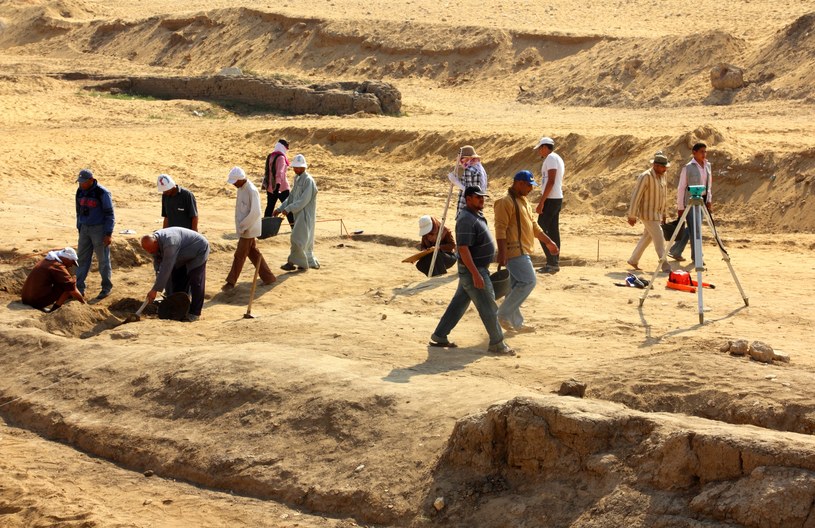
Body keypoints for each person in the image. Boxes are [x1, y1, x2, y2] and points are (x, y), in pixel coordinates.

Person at [429, 186, 514, 356]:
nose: (482, 200)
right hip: (473, 270)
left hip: (475, 268)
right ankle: (497, 343)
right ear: (468, 199)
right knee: (488, 306)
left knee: (458, 304)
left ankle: (439, 336)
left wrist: (496, 257)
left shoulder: (476, 215)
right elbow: (463, 249)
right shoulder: (466, 219)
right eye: (478, 197)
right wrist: (475, 273)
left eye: (483, 197)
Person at [494, 170, 559, 333]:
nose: (531, 189)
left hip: (523, 249)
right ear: (519, 183)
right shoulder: (505, 201)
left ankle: (516, 323)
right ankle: (502, 314)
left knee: (515, 286)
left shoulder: (523, 202)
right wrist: (502, 253)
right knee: (529, 281)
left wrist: (549, 242)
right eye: (529, 185)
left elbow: (534, 226)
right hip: (514, 251)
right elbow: (500, 229)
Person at [223, 166, 276, 290]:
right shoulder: (241, 188)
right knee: (254, 254)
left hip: (249, 229)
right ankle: (269, 277)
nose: (234, 184)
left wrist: (243, 226)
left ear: (241, 179)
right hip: (244, 228)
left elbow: (255, 213)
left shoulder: (251, 190)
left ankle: (231, 282)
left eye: (235, 182)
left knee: (239, 255)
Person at [140, 228, 209, 322]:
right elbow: (158, 264)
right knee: (177, 278)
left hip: (198, 250)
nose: (150, 252)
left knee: (196, 281)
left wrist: (155, 289)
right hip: (181, 253)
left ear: (156, 242)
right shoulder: (153, 244)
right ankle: (179, 305)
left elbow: (166, 267)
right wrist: (158, 280)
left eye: (151, 250)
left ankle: (194, 313)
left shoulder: (170, 242)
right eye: (148, 251)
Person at [626, 152, 673, 273]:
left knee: (647, 237)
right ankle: (665, 264)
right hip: (647, 214)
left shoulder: (663, 176)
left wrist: (663, 214)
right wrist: (632, 215)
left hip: (657, 214)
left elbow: (664, 195)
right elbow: (636, 196)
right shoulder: (645, 176)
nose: (665, 169)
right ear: (656, 166)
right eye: (663, 167)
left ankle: (633, 260)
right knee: (659, 236)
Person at [273, 154, 320, 271]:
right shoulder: (297, 179)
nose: (296, 169)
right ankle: (308, 262)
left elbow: (303, 200)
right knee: (303, 240)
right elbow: (291, 197)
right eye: (295, 167)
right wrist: (280, 208)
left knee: (297, 238)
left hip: (306, 215)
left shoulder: (309, 181)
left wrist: (288, 209)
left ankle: (294, 263)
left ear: (304, 167)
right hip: (298, 214)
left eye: (298, 167)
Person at [668, 142, 713, 262]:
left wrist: (709, 199)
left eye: (705, 151)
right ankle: (697, 258)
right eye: (701, 152)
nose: (704, 154)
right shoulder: (687, 168)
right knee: (696, 229)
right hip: (690, 202)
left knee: (694, 228)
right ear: (694, 153)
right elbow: (681, 187)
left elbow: (708, 185)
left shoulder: (708, 166)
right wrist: (680, 206)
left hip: (702, 201)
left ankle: (675, 250)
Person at [75, 168, 115, 299]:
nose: (81, 184)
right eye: (79, 182)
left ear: (91, 180)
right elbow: (78, 210)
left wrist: (108, 234)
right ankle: (79, 288)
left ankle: (106, 287)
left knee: (103, 260)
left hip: (99, 230)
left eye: (83, 182)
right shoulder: (80, 191)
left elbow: (110, 214)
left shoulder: (102, 193)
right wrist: (80, 226)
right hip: (84, 229)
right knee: (81, 259)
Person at [533, 136, 565, 274]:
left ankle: (551, 262)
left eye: (540, 148)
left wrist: (542, 202)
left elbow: (551, 181)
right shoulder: (555, 158)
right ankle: (553, 262)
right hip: (555, 197)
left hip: (551, 198)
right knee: (552, 230)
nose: (539, 151)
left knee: (540, 229)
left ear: (544, 147)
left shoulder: (551, 158)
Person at [21, 247, 85, 311]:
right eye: (72, 262)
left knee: (66, 282)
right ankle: (54, 310)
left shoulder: (48, 260)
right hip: (35, 302)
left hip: (25, 298)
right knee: (68, 285)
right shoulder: (57, 266)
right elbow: (72, 289)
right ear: (65, 258)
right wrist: (83, 303)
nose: (71, 265)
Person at [447, 145, 488, 217]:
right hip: (476, 210)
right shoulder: (480, 169)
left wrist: (455, 182)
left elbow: (471, 192)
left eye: (462, 159)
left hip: (467, 211)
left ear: (469, 158)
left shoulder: (470, 170)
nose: (461, 162)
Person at [262, 138, 295, 226]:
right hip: (282, 187)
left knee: (269, 207)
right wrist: (278, 185)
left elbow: (267, 172)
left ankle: (265, 227)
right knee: (288, 207)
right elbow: (279, 173)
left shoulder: (270, 156)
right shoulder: (281, 158)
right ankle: (293, 226)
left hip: (270, 188)